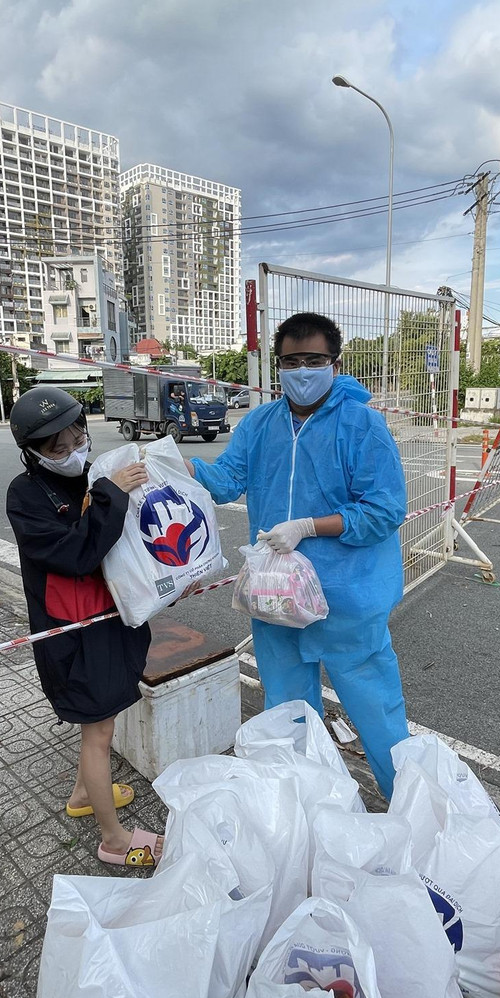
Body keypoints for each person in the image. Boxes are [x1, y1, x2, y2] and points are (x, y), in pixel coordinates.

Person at [188, 312, 410, 799]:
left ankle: (410, 806)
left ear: (335, 362)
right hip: (274, 597)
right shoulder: (260, 424)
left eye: (314, 360)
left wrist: (309, 526)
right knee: (286, 709)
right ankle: (300, 808)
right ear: (278, 367)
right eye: (292, 361)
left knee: (376, 710)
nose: (303, 371)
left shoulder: (362, 425)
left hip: (348, 598)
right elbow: (226, 481)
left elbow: (385, 510)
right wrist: (179, 466)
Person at [5, 385, 164, 867]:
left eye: (79, 438)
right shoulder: (26, 494)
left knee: (102, 721)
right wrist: (111, 494)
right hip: (75, 630)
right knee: (97, 732)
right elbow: (76, 554)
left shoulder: (95, 475)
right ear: (33, 453)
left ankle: (80, 795)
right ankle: (114, 841)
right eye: (59, 449)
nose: (74, 452)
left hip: (113, 615)